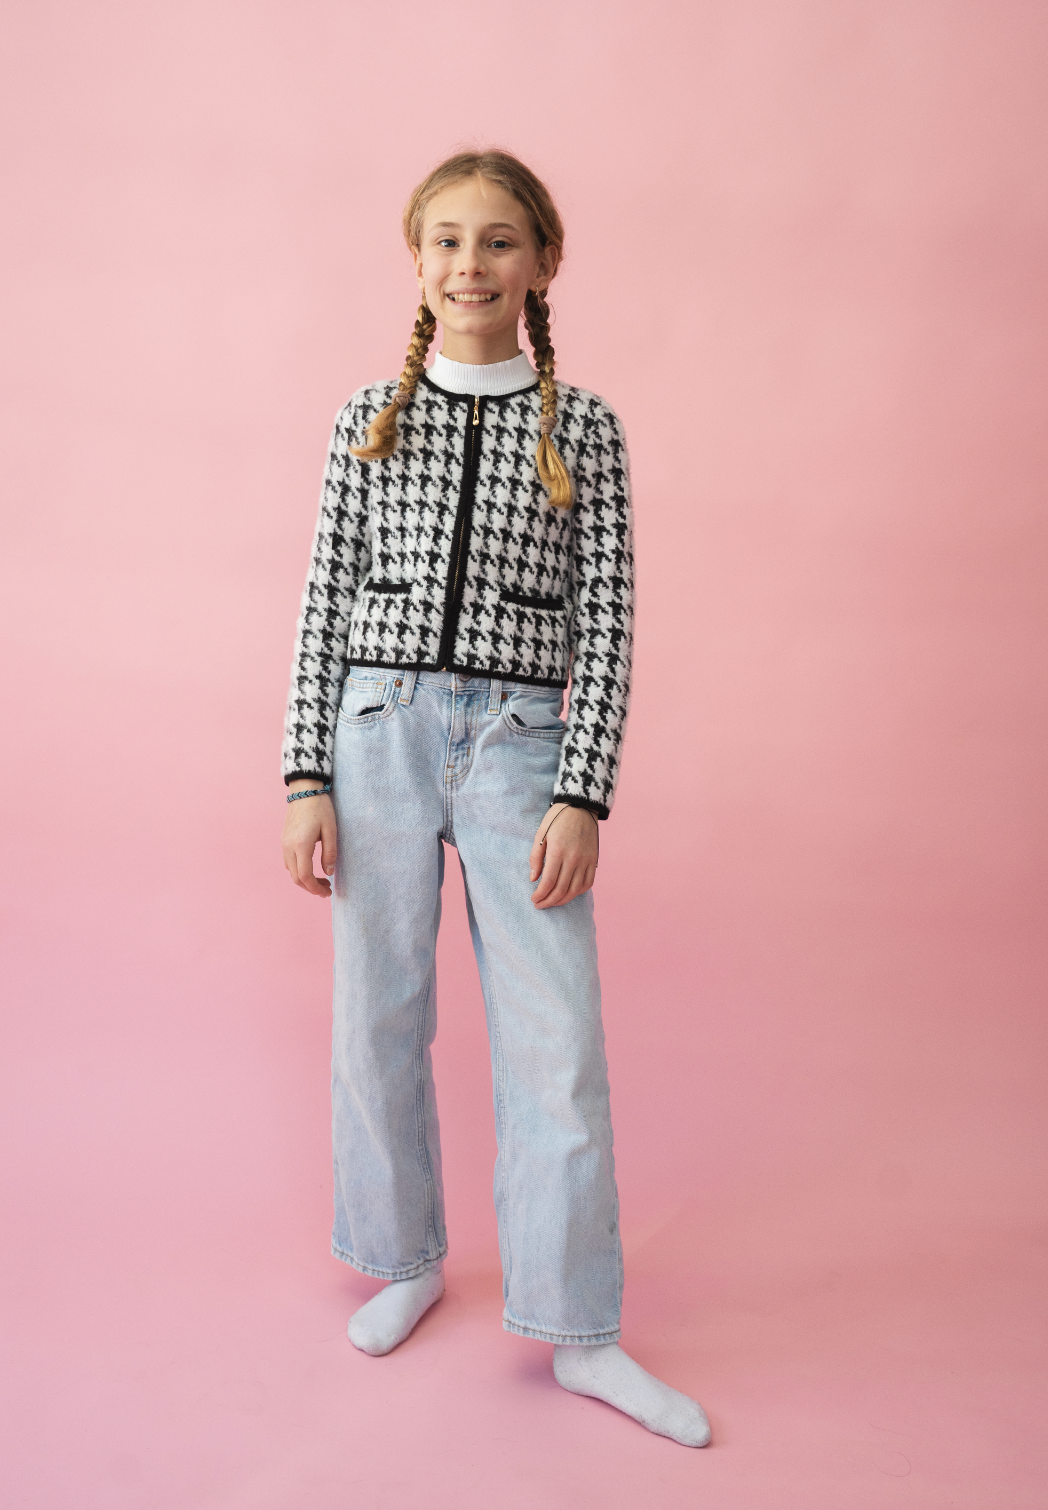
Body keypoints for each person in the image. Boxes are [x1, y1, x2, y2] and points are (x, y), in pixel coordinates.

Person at [280, 150, 710, 1448]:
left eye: (500, 240)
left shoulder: (586, 430)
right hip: (376, 733)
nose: (472, 263)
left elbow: (610, 619)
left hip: (523, 744)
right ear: (418, 262)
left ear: (542, 262)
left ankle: (580, 1329)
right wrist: (305, 773)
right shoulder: (368, 418)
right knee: (377, 1014)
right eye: (449, 240)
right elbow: (321, 604)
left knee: (554, 1042)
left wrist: (583, 791)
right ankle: (401, 1256)